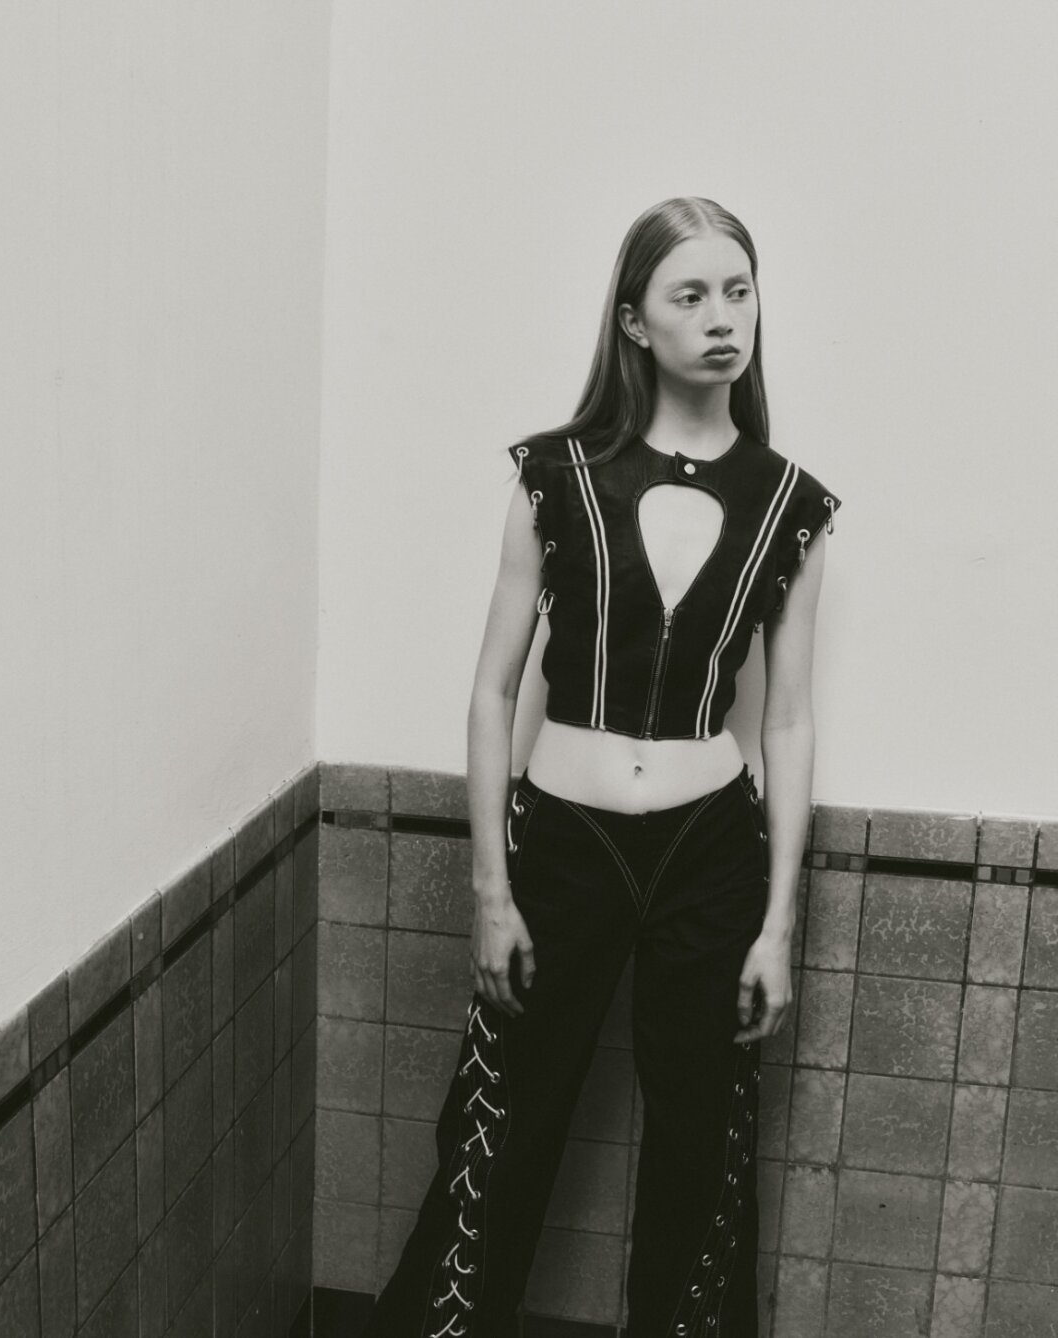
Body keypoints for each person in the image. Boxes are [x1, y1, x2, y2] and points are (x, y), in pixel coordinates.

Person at [362, 196, 842, 1338]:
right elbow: (493, 692)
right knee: (500, 1130)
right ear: (635, 321)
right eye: (691, 294)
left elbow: (786, 724)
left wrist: (776, 926)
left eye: (739, 291)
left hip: (710, 850)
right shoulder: (556, 477)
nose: (723, 318)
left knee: (701, 1147)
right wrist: (492, 892)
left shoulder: (790, 505)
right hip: (564, 843)